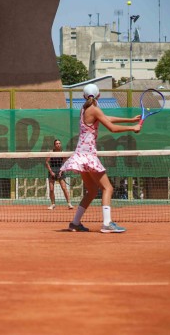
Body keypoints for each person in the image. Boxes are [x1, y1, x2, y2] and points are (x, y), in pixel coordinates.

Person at [61, 84, 140, 233]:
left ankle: (75, 223)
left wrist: (129, 120)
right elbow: (112, 128)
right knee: (107, 188)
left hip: (81, 155)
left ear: (84, 96)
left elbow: (105, 118)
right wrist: (132, 128)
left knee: (92, 191)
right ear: (99, 95)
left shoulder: (85, 108)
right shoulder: (94, 109)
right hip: (88, 156)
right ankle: (107, 224)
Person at [45, 139, 73, 210]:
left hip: (60, 171)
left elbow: (65, 163)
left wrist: (61, 172)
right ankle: (53, 204)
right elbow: (47, 163)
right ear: (54, 145)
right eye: (57, 143)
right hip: (52, 171)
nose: (58, 145)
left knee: (64, 188)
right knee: (51, 189)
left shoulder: (62, 153)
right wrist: (51, 172)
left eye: (59, 143)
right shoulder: (51, 152)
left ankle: (69, 204)